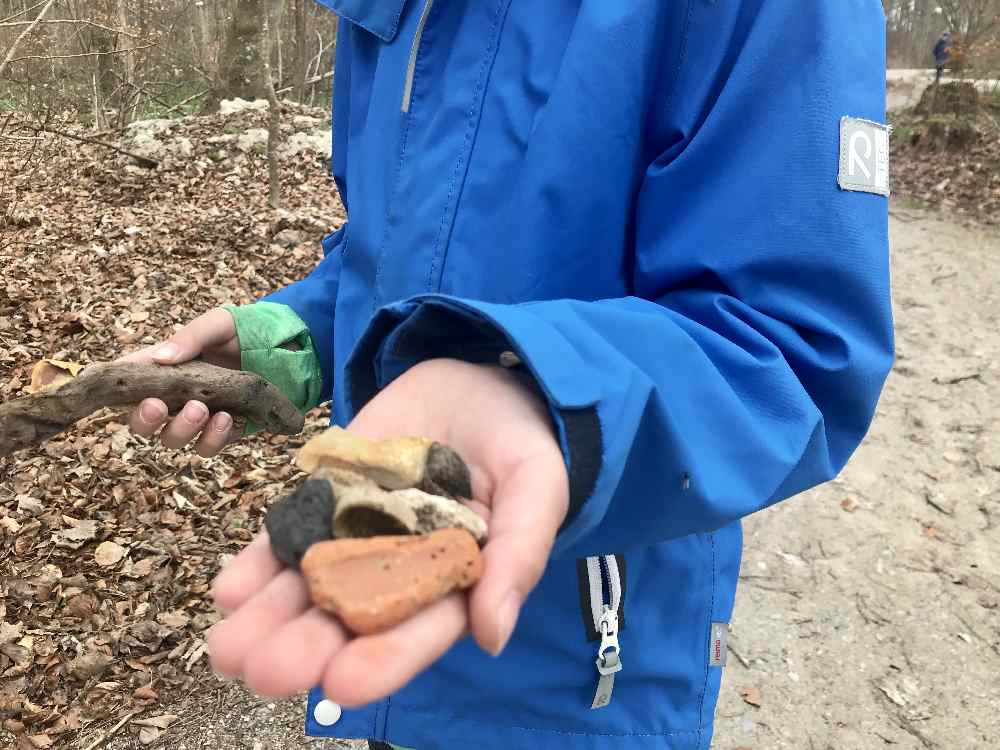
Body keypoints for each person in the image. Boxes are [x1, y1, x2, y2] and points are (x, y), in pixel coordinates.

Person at [124, 1, 893, 748]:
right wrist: (288, 338)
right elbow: (392, 249)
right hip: (392, 647)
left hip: (581, 683)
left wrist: (539, 396)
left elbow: (793, 343)